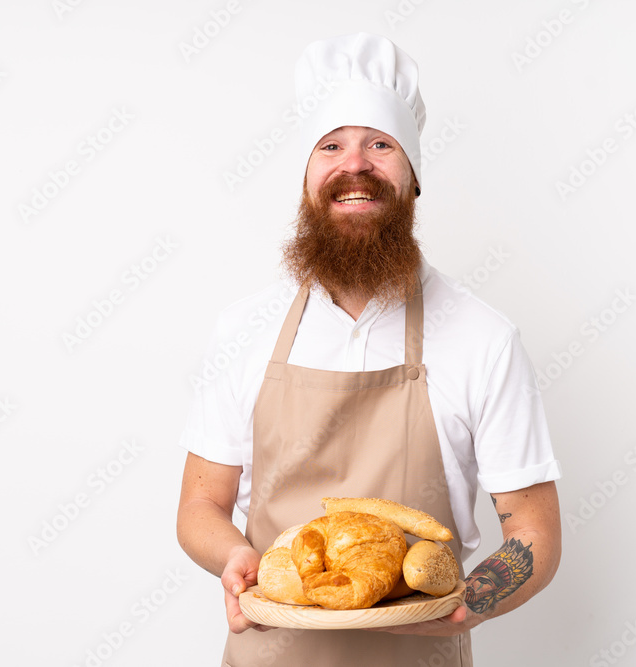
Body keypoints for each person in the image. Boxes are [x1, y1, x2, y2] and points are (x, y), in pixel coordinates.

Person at [177, 32, 562, 667]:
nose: (354, 165)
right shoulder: (242, 330)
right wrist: (234, 557)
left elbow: (534, 529)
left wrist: (471, 602)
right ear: (306, 180)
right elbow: (201, 504)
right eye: (331, 146)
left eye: (379, 145)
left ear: (413, 178)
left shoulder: (482, 337)